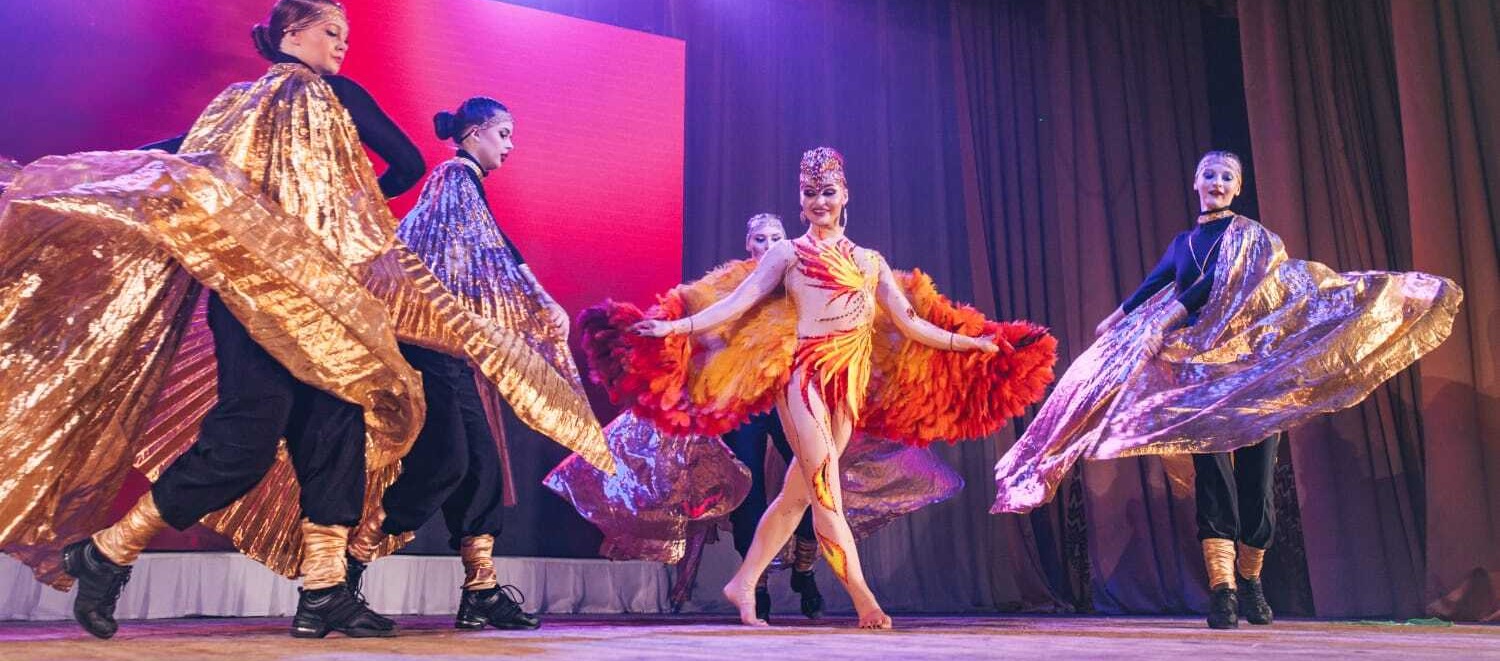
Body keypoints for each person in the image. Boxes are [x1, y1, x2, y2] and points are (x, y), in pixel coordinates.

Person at [0, 0, 610, 640]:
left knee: (335, 435)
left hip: (313, 302)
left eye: (345, 34)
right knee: (244, 443)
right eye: (328, 31)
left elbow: (176, 158)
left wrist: (329, 216)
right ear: (290, 36)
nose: (341, 43)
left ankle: (323, 591)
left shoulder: (239, 107)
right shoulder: (316, 99)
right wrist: (344, 212)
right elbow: (403, 162)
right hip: (262, 302)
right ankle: (108, 550)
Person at [991, 150, 1462, 630]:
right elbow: (1155, 285)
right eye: (1210, 174)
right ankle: (1224, 591)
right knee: (1214, 481)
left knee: (1257, 486)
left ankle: (1251, 582)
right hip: (1200, 379)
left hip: (1252, 376)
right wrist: (1114, 322)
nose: (1217, 182)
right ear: (1196, 182)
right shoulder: (1183, 243)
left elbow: (1213, 285)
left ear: (1238, 188)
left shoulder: (1252, 238)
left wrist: (1164, 322)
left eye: (1227, 177)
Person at [594, 147, 1056, 628]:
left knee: (796, 496)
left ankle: (744, 582)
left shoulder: (870, 261)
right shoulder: (787, 254)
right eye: (809, 193)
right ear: (800, 201)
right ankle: (864, 598)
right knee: (825, 492)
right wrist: (676, 327)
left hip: (848, 385)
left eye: (827, 192)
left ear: (845, 195)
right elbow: (737, 303)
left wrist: (971, 343)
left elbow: (912, 323)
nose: (819, 201)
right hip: (805, 378)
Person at [343, 97, 575, 631]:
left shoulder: (462, 188)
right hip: (424, 345)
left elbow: (483, 252)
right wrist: (540, 300)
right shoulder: (453, 178)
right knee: (446, 461)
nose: (510, 145)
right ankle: (349, 560)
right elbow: (496, 249)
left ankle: (481, 589)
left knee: (482, 467)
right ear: (473, 134)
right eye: (503, 133)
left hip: (450, 348)